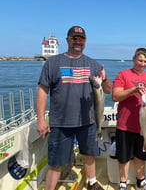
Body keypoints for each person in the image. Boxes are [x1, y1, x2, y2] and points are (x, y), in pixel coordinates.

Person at [36, 25, 112, 190]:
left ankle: (92, 182)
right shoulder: (52, 63)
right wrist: (41, 119)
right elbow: (42, 90)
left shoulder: (93, 64)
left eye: (81, 39)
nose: (78, 41)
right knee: (55, 161)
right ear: (67, 40)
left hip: (88, 120)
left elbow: (108, 90)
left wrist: (104, 80)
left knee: (89, 154)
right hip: (60, 122)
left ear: (85, 42)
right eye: (74, 38)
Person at [112, 48, 146, 190]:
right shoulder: (123, 75)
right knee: (124, 157)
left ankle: (141, 180)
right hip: (125, 125)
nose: (143, 64)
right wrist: (133, 90)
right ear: (133, 59)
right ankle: (123, 182)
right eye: (140, 60)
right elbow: (115, 96)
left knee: (141, 156)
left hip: (144, 126)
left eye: (145, 61)